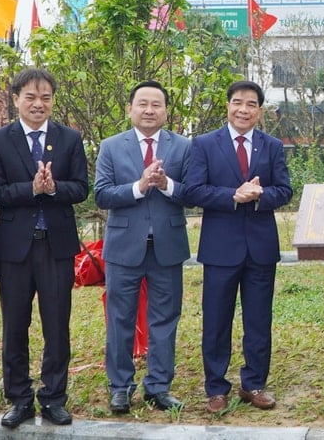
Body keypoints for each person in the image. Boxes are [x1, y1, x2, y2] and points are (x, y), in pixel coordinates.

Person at [0, 68, 89, 428]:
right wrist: (31, 189)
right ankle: (19, 398)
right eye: (30, 96)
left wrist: (54, 187)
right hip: (14, 250)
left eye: (45, 97)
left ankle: (54, 397)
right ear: (15, 100)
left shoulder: (69, 138)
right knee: (15, 326)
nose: (38, 104)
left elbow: (81, 189)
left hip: (55, 247)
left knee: (57, 325)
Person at [183, 80, 292, 414]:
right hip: (220, 247)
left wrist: (261, 196)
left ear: (260, 110)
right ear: (227, 106)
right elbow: (193, 191)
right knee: (216, 320)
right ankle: (216, 388)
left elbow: (285, 190)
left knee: (258, 320)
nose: (243, 109)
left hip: (260, 248)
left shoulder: (271, 146)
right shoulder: (204, 144)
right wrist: (233, 195)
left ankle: (254, 384)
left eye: (250, 104)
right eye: (237, 102)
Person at [94, 81, 191, 413]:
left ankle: (159, 387)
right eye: (143, 104)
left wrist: (167, 185)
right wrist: (139, 186)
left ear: (166, 110)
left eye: (157, 105)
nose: (150, 110)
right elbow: (102, 194)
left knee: (165, 318)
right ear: (130, 108)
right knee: (120, 318)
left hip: (167, 245)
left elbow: (192, 193)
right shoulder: (111, 146)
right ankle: (120, 386)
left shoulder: (182, 146)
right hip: (124, 247)